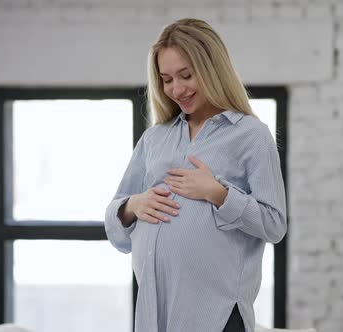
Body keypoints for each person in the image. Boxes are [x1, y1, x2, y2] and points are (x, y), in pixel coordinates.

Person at [104, 18, 287, 332]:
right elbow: (115, 227)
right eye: (166, 79)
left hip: (217, 316)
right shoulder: (155, 138)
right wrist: (133, 205)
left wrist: (218, 193)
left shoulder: (250, 135)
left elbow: (274, 226)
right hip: (155, 312)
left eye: (186, 75)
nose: (176, 89)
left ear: (212, 68)